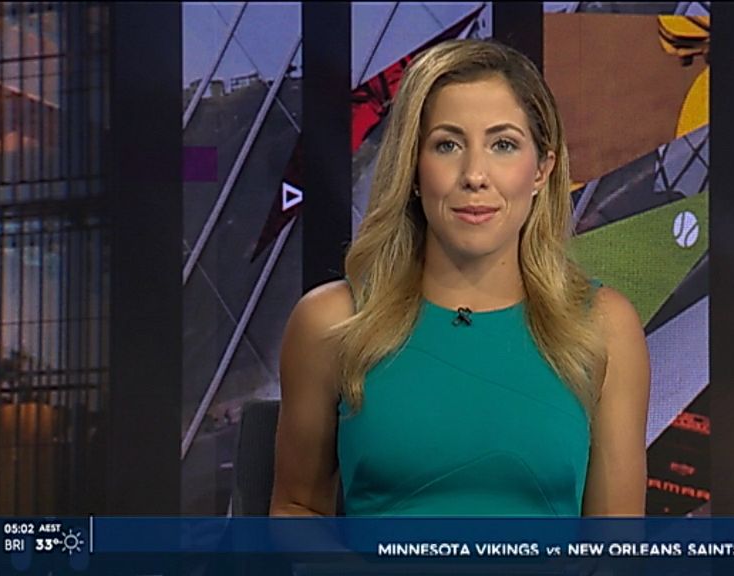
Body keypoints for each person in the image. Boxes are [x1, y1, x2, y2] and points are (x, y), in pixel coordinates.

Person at [270, 38, 650, 517]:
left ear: (541, 171)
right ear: (413, 168)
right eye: (447, 145)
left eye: (503, 145)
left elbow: (615, 544)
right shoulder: (331, 322)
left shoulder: (603, 328)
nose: (474, 175)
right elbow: (295, 509)